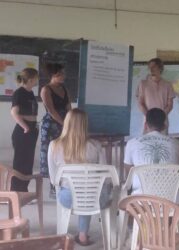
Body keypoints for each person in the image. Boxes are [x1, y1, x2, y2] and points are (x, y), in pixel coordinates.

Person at [48, 108, 111, 246]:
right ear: (85, 125)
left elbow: (53, 179)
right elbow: (106, 178)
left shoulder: (54, 145)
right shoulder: (96, 145)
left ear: (66, 123)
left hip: (68, 198)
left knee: (80, 190)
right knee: (89, 190)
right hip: (94, 199)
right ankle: (83, 235)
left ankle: (67, 237)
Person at [124, 108, 179, 193]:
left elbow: (128, 174)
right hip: (170, 200)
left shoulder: (132, 143)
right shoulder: (176, 143)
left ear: (145, 125)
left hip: (140, 200)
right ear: (165, 126)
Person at [40, 63, 71, 196]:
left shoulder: (64, 88)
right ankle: (53, 185)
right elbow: (51, 110)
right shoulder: (46, 89)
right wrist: (64, 123)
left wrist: (71, 121)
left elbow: (69, 105)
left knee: (64, 153)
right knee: (52, 154)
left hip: (65, 122)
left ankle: (64, 183)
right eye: (61, 74)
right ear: (53, 75)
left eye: (63, 74)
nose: (63, 76)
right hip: (52, 125)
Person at [10, 68, 39, 192]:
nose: (38, 80)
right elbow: (14, 113)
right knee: (20, 162)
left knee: (28, 162)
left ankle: (24, 190)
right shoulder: (19, 93)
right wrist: (25, 126)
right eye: (36, 78)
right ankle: (15, 190)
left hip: (32, 130)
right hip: (23, 131)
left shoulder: (31, 92)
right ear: (31, 79)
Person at [136, 58, 175, 133]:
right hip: (148, 122)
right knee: (147, 144)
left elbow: (170, 105)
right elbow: (140, 103)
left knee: (162, 144)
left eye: (153, 66)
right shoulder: (143, 84)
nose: (151, 69)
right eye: (149, 67)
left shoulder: (168, 85)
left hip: (162, 121)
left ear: (160, 68)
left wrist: (160, 117)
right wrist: (150, 117)